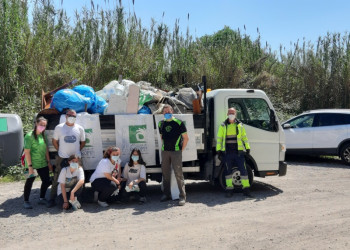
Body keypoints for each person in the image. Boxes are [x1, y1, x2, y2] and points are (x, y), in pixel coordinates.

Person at [47, 109, 86, 208]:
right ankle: (52, 199)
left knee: (79, 178)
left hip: (76, 158)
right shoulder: (59, 128)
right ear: (66, 116)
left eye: (74, 116)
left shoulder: (80, 128)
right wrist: (60, 151)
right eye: (70, 115)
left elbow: (83, 142)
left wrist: (76, 153)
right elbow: (54, 141)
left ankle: (79, 198)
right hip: (62, 158)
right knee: (57, 179)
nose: (72, 117)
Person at [216, 108, 253, 198]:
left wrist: (247, 148)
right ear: (227, 114)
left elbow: (244, 137)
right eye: (230, 113)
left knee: (243, 171)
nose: (231, 114)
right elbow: (219, 138)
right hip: (227, 153)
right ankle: (229, 189)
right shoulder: (223, 125)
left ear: (235, 114)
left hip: (238, 153)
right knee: (228, 172)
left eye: (233, 113)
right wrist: (218, 151)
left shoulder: (240, 125)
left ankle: (246, 189)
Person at [158, 104, 189, 206]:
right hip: (165, 152)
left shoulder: (179, 123)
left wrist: (180, 150)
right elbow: (162, 137)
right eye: (165, 112)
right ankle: (166, 194)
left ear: (172, 111)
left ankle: (182, 196)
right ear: (163, 113)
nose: (167, 113)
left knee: (178, 174)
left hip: (176, 152)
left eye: (168, 111)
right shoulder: (161, 124)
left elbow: (186, 138)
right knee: (165, 174)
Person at [23, 116, 53, 209]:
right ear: (36, 123)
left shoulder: (43, 135)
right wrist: (30, 167)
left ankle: (42, 198)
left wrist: (48, 162)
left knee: (46, 181)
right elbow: (27, 152)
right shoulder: (29, 136)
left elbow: (46, 149)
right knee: (29, 182)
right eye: (41, 125)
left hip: (43, 163)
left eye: (44, 125)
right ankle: (26, 201)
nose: (42, 127)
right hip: (32, 164)